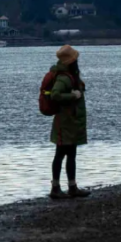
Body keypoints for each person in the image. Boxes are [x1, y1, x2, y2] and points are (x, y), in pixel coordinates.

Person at [48, 45, 91, 199]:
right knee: (60, 154)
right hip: (64, 122)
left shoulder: (70, 76)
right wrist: (73, 96)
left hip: (71, 121)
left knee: (71, 154)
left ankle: (72, 186)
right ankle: (55, 188)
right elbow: (55, 95)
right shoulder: (64, 77)